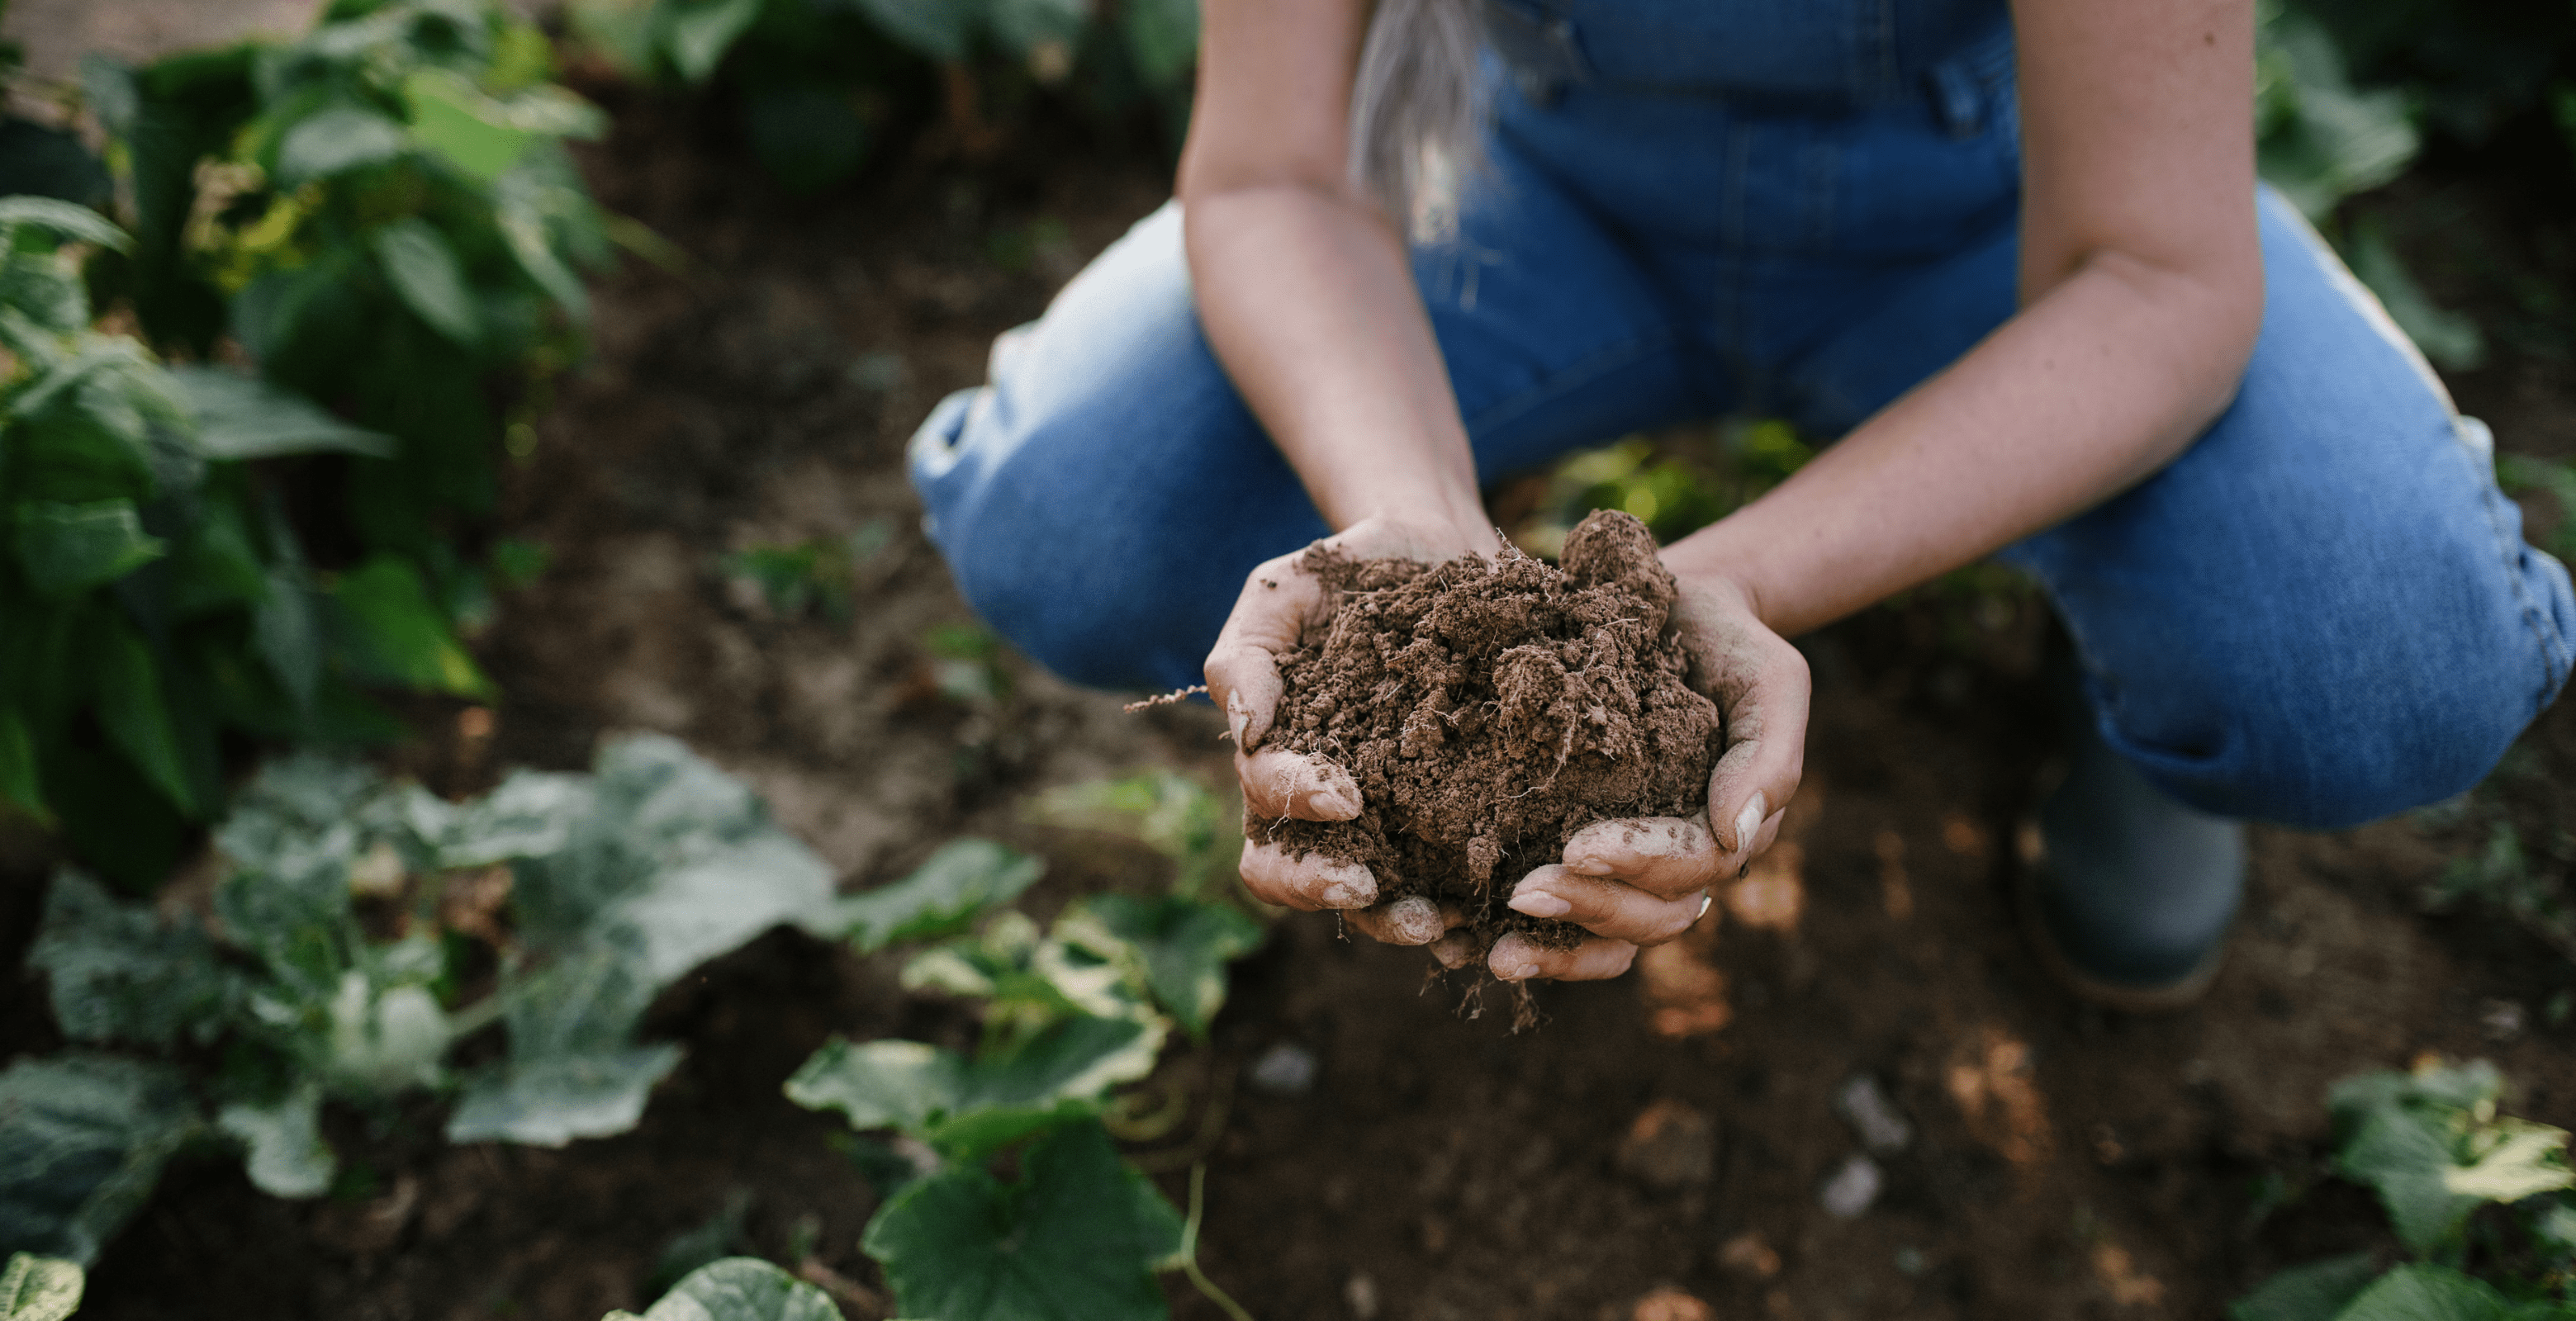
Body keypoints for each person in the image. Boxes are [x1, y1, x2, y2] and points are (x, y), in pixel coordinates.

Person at [907, 0, 2575, 1007]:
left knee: (2370, 656)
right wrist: (1412, 537)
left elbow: (2149, 270)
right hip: (1524, 189)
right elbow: (1276, 171)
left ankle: (2146, 691)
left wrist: (1715, 589)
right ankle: (1490, 479)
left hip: (2011, 227)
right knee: (1078, 522)